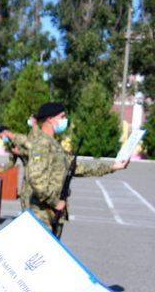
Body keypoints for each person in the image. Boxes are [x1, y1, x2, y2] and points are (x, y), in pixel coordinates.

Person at [23, 101, 127, 239]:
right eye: (62, 116)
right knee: (39, 257)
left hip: (54, 212)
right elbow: (35, 178)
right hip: (42, 213)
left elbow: (75, 168)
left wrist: (112, 166)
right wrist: (54, 201)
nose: (64, 120)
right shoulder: (42, 143)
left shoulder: (54, 144)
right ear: (49, 119)